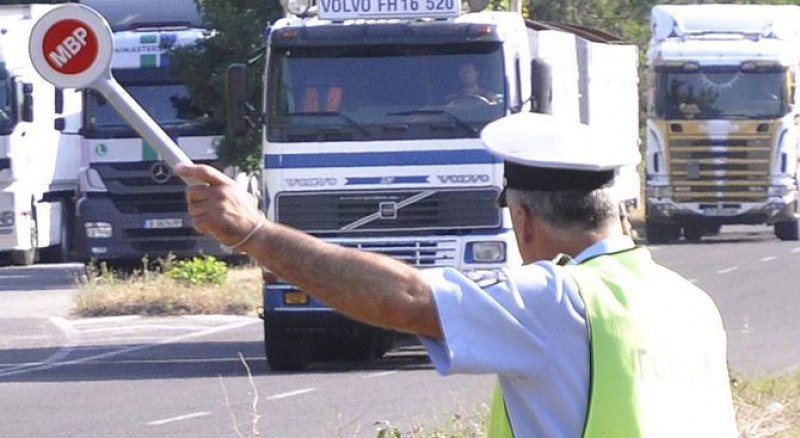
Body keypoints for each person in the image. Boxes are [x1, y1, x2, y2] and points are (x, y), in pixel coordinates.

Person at [176, 112, 738, 437]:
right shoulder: (690, 302)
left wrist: (253, 233)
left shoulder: (559, 299)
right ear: (617, 208)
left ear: (522, 218)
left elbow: (406, 298)